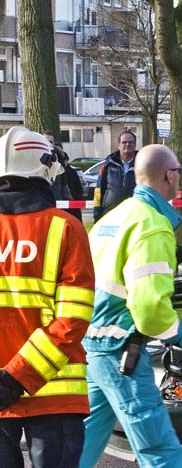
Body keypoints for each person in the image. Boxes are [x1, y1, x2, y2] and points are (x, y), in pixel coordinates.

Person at [80, 144, 182, 468]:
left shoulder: (113, 218)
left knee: (82, 442)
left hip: (93, 346)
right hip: (122, 351)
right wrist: (181, 338)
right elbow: (149, 306)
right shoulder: (152, 225)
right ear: (169, 176)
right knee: (160, 449)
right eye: (179, 171)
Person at [0, 127, 95, 468]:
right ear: (44, 171)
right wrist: (17, 377)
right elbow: (72, 319)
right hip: (54, 395)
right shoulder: (65, 228)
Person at [93, 130, 137, 221]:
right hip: (110, 214)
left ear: (135, 145)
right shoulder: (107, 165)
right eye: (124, 142)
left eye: (130, 142)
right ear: (119, 145)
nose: (127, 144)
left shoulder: (143, 164)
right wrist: (97, 215)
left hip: (134, 216)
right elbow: (99, 190)